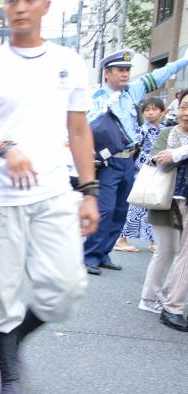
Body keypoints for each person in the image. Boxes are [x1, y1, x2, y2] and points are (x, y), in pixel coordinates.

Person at [0, 0, 98, 394]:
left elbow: (79, 129)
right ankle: (9, 374)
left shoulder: (68, 62)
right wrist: (6, 148)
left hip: (53, 192)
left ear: (46, 5)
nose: (18, 8)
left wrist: (90, 191)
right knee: (3, 293)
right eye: (11, 1)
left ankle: (17, 338)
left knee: (66, 288)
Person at [84, 49, 188, 275]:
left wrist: (184, 60)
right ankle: (90, 255)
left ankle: (104, 253)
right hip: (107, 162)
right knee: (105, 209)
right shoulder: (94, 98)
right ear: (107, 73)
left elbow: (161, 74)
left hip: (128, 161)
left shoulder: (133, 91)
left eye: (127, 70)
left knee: (121, 210)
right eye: (120, 70)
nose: (125, 74)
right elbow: (83, 130)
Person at [140, 93, 188, 331]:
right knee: (166, 250)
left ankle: (167, 297)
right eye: (183, 106)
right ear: (176, 109)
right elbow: (155, 160)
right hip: (165, 199)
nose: (186, 112)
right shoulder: (167, 133)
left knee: (180, 252)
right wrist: (173, 156)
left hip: (183, 201)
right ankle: (150, 298)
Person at [116, 97, 164, 254]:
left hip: (159, 172)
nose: (150, 113)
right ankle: (122, 239)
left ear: (162, 112)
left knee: (154, 205)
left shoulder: (164, 130)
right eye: (147, 110)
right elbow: (133, 147)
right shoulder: (142, 129)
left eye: (154, 109)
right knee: (136, 206)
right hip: (142, 172)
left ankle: (154, 241)